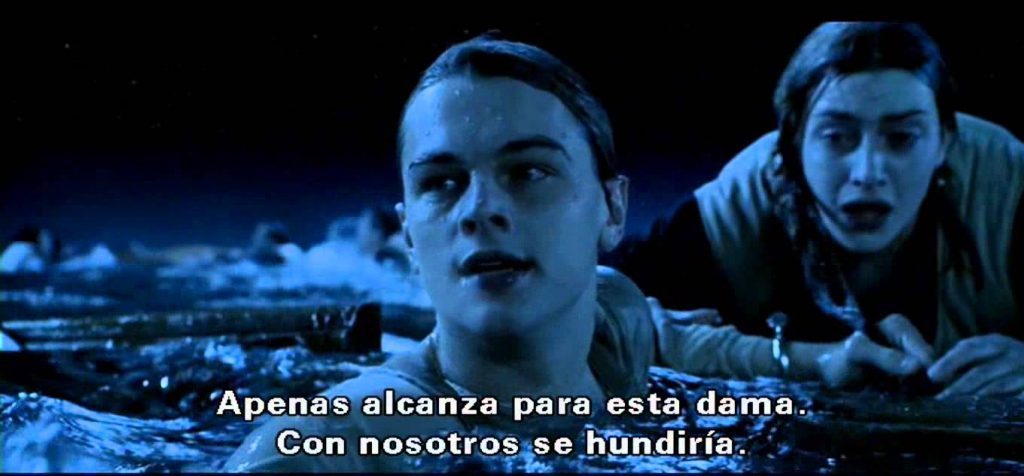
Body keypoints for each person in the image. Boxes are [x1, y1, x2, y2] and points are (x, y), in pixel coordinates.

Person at [226, 34, 655, 472]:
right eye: (440, 182)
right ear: (409, 236)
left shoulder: (619, 327)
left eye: (528, 171)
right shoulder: (334, 442)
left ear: (613, 209)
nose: (479, 209)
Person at [615, 22, 1024, 398]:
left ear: (944, 143)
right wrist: (810, 361)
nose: (867, 173)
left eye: (901, 138)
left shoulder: (1008, 183)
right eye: (836, 137)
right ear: (794, 143)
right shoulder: (740, 204)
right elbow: (604, 312)